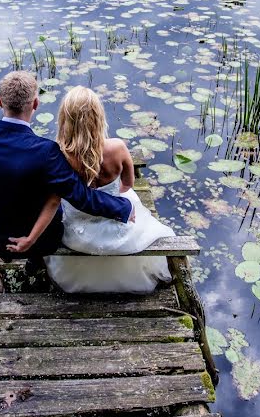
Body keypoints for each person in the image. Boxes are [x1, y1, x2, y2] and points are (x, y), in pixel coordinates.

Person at [0, 72, 133, 274]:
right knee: (54, 201)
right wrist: (123, 207)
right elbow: (81, 197)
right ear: (35, 104)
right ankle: (36, 259)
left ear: (0, 102)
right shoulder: (47, 152)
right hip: (40, 241)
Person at [11, 86, 173, 294]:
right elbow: (128, 184)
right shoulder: (117, 148)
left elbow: (53, 200)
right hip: (119, 229)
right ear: (98, 117)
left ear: (64, 119)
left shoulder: (59, 154)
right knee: (133, 203)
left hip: (79, 235)